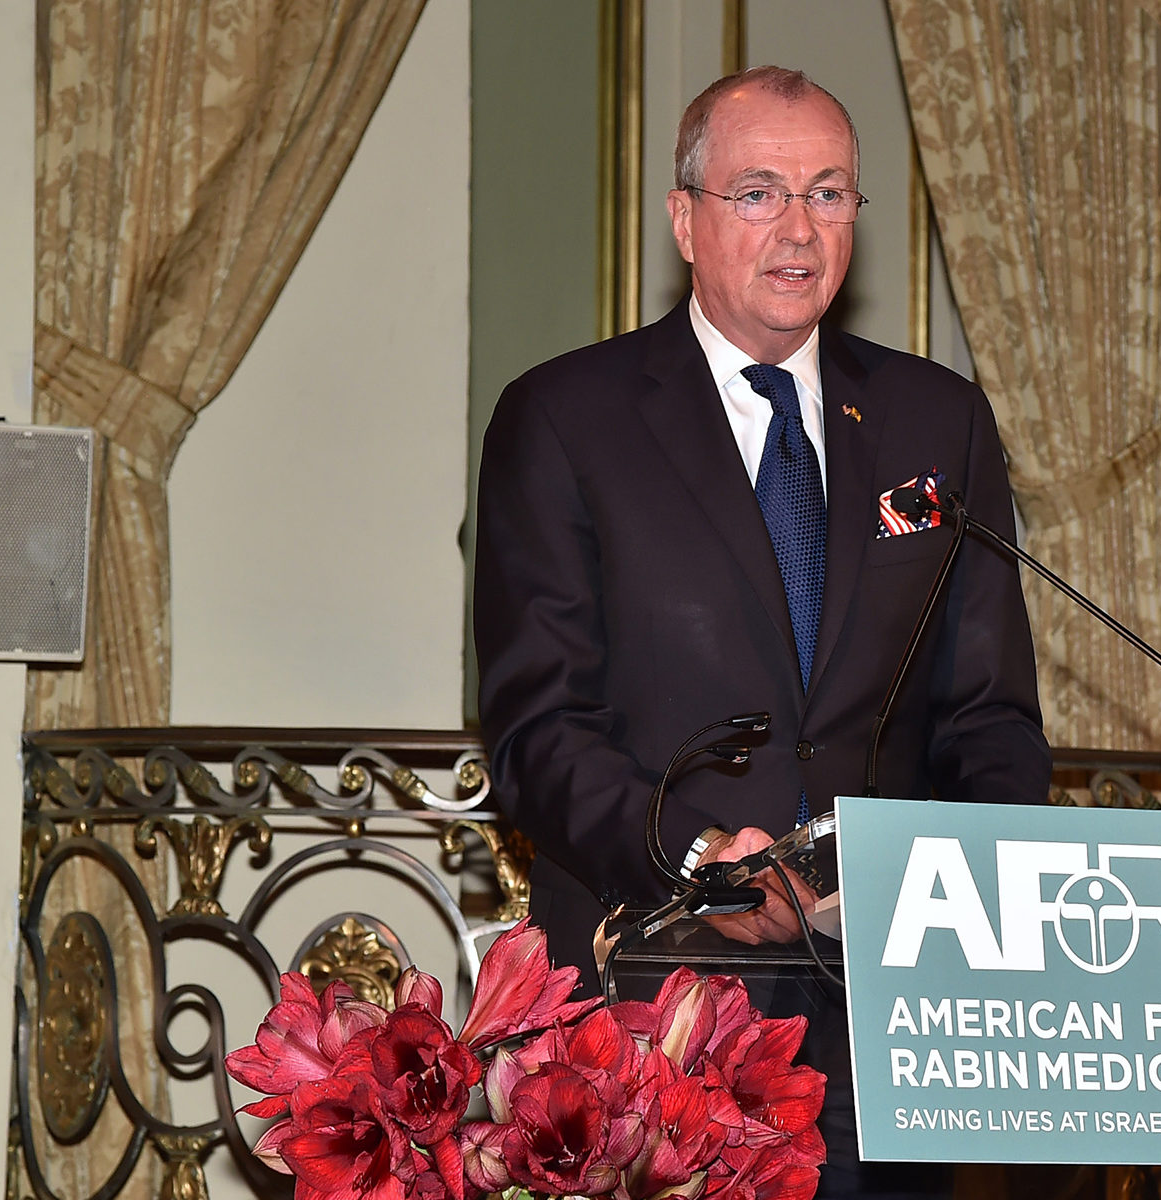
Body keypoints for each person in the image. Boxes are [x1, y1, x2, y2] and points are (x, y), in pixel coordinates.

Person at [473, 65, 1052, 1197]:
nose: (799, 229)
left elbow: (989, 715)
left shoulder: (940, 418)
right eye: (758, 193)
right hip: (652, 1023)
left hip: (889, 1030)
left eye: (830, 194)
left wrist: (968, 895)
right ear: (686, 220)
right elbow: (538, 731)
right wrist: (699, 861)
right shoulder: (563, 418)